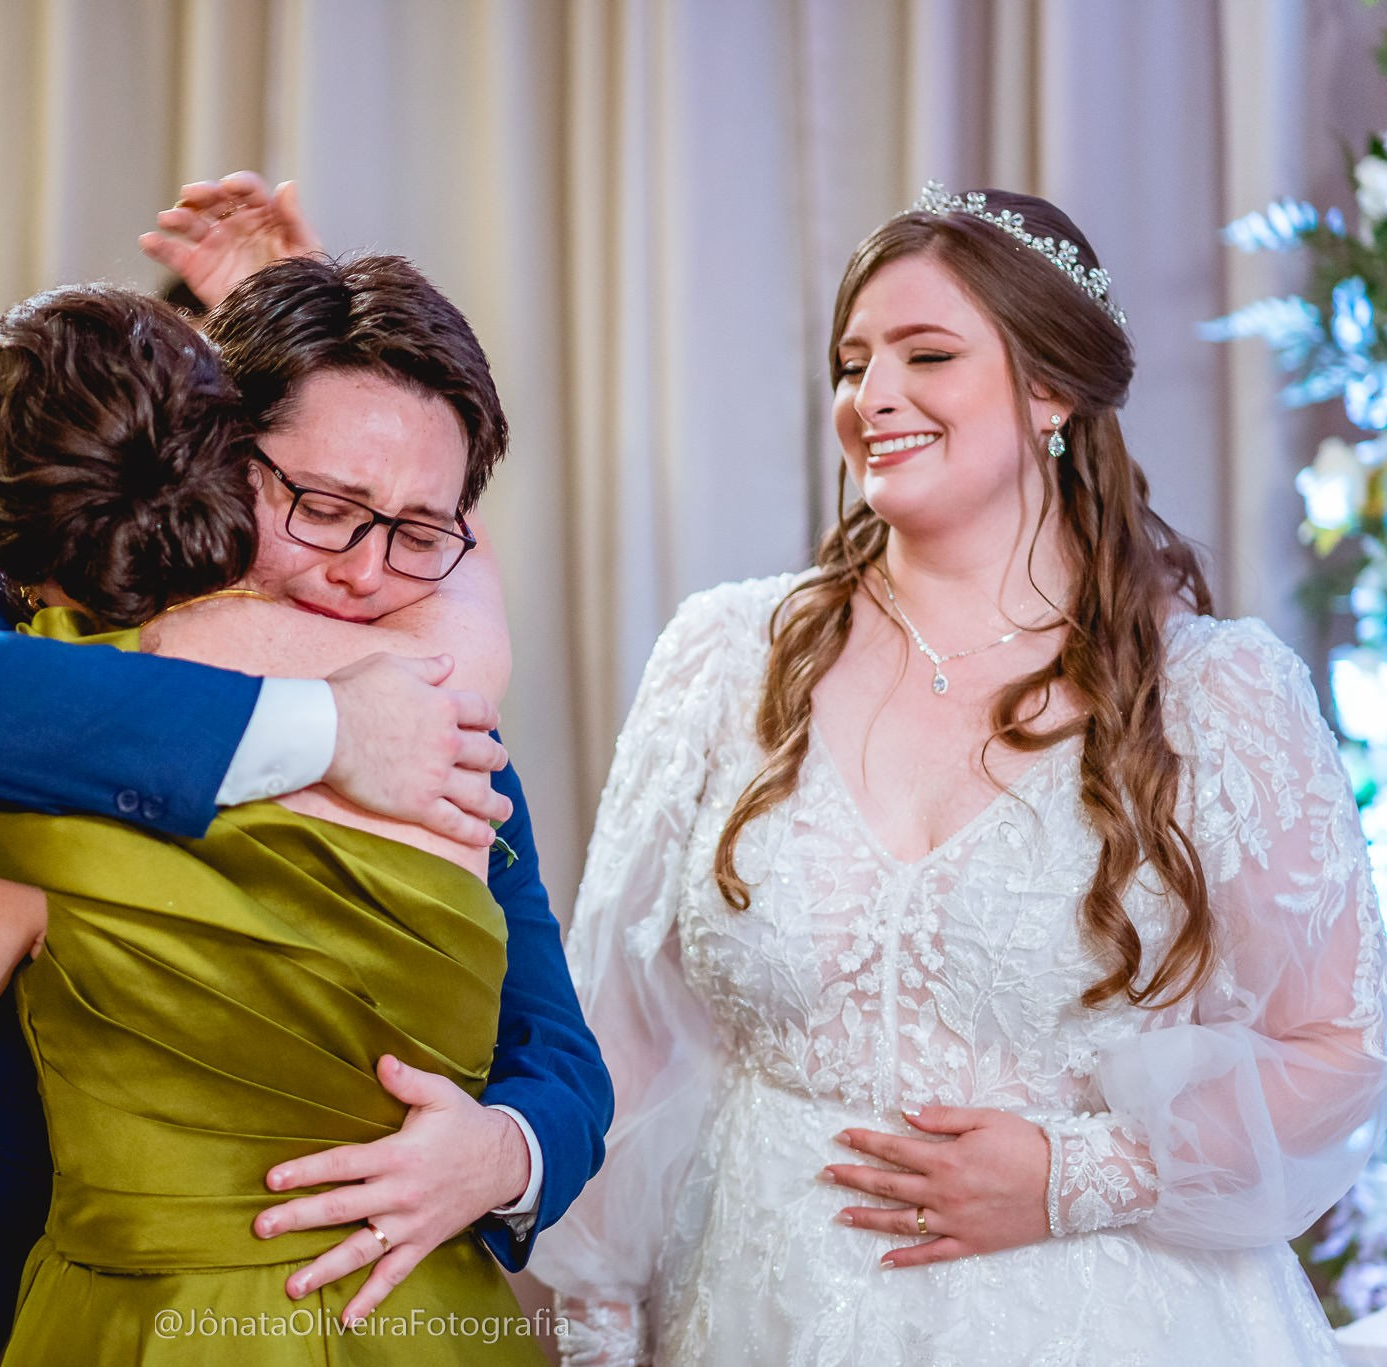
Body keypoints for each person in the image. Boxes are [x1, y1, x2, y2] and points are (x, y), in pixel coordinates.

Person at [530, 184, 1387, 1365]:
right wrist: (595, 1319)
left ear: (1050, 389)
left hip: (1109, 1322)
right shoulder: (724, 656)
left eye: (925, 354)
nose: (871, 397)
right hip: (755, 1310)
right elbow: (618, 1026)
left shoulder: (1216, 694)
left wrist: (1071, 1175)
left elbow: (1338, 1044)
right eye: (851, 364)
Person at [0, 243, 610, 1365]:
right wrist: (319, 718)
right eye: (324, 506)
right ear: (210, 454)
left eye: (419, 533)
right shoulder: (41, 626)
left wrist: (502, 1151)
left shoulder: (443, 731)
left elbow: (558, 1052)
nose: (365, 573)